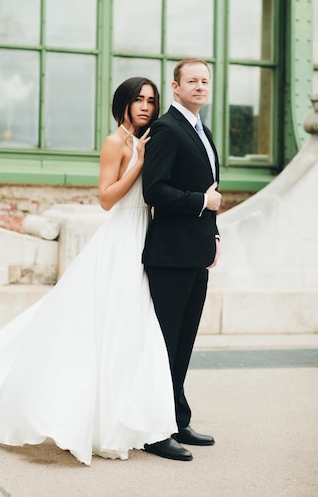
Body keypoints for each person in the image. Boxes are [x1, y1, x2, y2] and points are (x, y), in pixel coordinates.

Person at [0, 77, 177, 466]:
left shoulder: (148, 139)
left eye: (151, 101)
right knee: (102, 324)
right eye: (138, 99)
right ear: (122, 102)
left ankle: (122, 419)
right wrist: (137, 163)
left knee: (129, 330)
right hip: (121, 235)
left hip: (144, 235)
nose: (145, 106)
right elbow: (106, 200)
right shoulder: (116, 143)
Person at [141, 58, 222, 462]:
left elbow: (211, 189)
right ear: (175, 87)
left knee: (184, 344)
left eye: (205, 80)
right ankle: (154, 431)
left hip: (197, 254)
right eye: (192, 80)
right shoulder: (166, 129)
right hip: (169, 258)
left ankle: (176, 418)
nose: (200, 86)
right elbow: (154, 191)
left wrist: (215, 232)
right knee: (165, 345)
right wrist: (201, 203)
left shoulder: (202, 131)